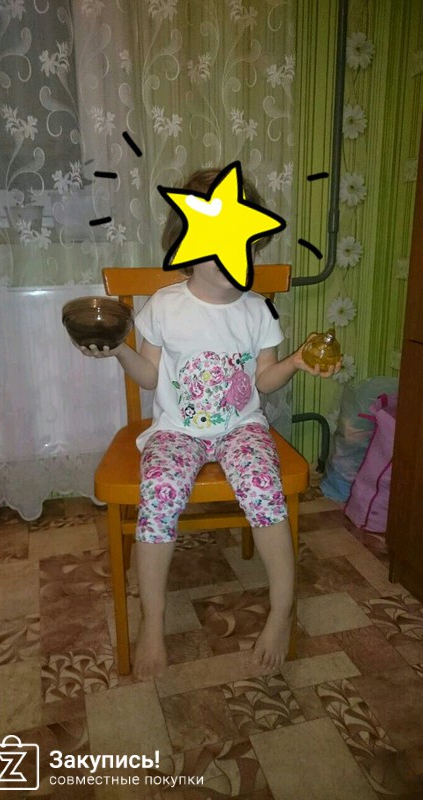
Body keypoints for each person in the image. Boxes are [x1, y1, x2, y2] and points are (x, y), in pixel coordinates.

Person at [77, 168, 340, 681]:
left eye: (249, 245)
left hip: (241, 427)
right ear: (188, 245)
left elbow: (264, 381)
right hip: (177, 431)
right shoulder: (164, 306)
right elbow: (149, 375)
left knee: (263, 488)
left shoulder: (257, 311)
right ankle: (153, 621)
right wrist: (118, 351)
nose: (242, 257)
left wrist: (294, 363)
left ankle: (282, 609)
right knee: (159, 495)